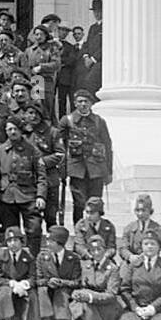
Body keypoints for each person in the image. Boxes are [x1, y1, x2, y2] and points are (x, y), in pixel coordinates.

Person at [0, 116, 47, 254]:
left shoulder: (33, 151)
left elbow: (42, 175)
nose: (12, 132)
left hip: (28, 196)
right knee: (11, 232)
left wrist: (41, 196)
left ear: (21, 130)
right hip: (6, 196)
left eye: (15, 129)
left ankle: (33, 260)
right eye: (9, 129)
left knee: (34, 228)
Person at [57, 88, 112, 223]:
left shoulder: (99, 121)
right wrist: (62, 170)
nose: (83, 104)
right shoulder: (67, 121)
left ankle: (95, 233)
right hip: (77, 170)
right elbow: (60, 146)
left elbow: (107, 146)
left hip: (96, 169)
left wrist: (109, 172)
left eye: (86, 101)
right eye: (80, 101)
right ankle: (79, 231)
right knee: (79, 203)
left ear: (91, 104)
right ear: (75, 103)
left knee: (95, 203)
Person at [70, 233, 124, 320]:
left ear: (104, 250)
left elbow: (111, 294)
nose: (96, 253)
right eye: (92, 250)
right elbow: (81, 285)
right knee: (78, 304)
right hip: (89, 303)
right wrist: (77, 293)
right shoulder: (86, 266)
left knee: (84, 304)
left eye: (99, 249)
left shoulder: (112, 268)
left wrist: (90, 297)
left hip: (106, 304)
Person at [33, 224, 82, 320]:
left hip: (65, 293)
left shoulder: (73, 258)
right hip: (48, 291)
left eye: (51, 241)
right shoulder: (42, 257)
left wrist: (61, 282)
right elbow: (37, 279)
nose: (47, 243)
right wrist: (48, 282)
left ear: (59, 243)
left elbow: (77, 282)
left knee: (62, 292)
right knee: (42, 290)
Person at [0, 225, 36, 320]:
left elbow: (33, 277)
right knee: (5, 292)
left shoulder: (28, 257)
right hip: (3, 290)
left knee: (31, 294)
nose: (12, 244)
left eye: (15, 240)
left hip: (22, 290)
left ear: (21, 242)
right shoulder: (0, 257)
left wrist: (24, 284)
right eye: (9, 241)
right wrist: (12, 284)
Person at [119, 193, 161, 262]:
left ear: (150, 211)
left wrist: (142, 257)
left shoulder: (158, 229)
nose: (140, 213)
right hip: (132, 263)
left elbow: (157, 248)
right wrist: (130, 256)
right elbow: (123, 247)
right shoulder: (129, 228)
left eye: (143, 210)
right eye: (137, 210)